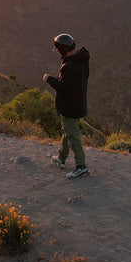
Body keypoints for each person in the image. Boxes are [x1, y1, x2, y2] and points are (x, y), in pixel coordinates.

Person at [43, 32, 91, 178]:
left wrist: (49, 79)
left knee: (72, 135)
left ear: (62, 50)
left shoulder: (69, 66)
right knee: (67, 131)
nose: (57, 53)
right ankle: (61, 159)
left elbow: (63, 87)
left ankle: (81, 166)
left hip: (70, 107)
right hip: (78, 103)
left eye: (58, 50)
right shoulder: (81, 61)